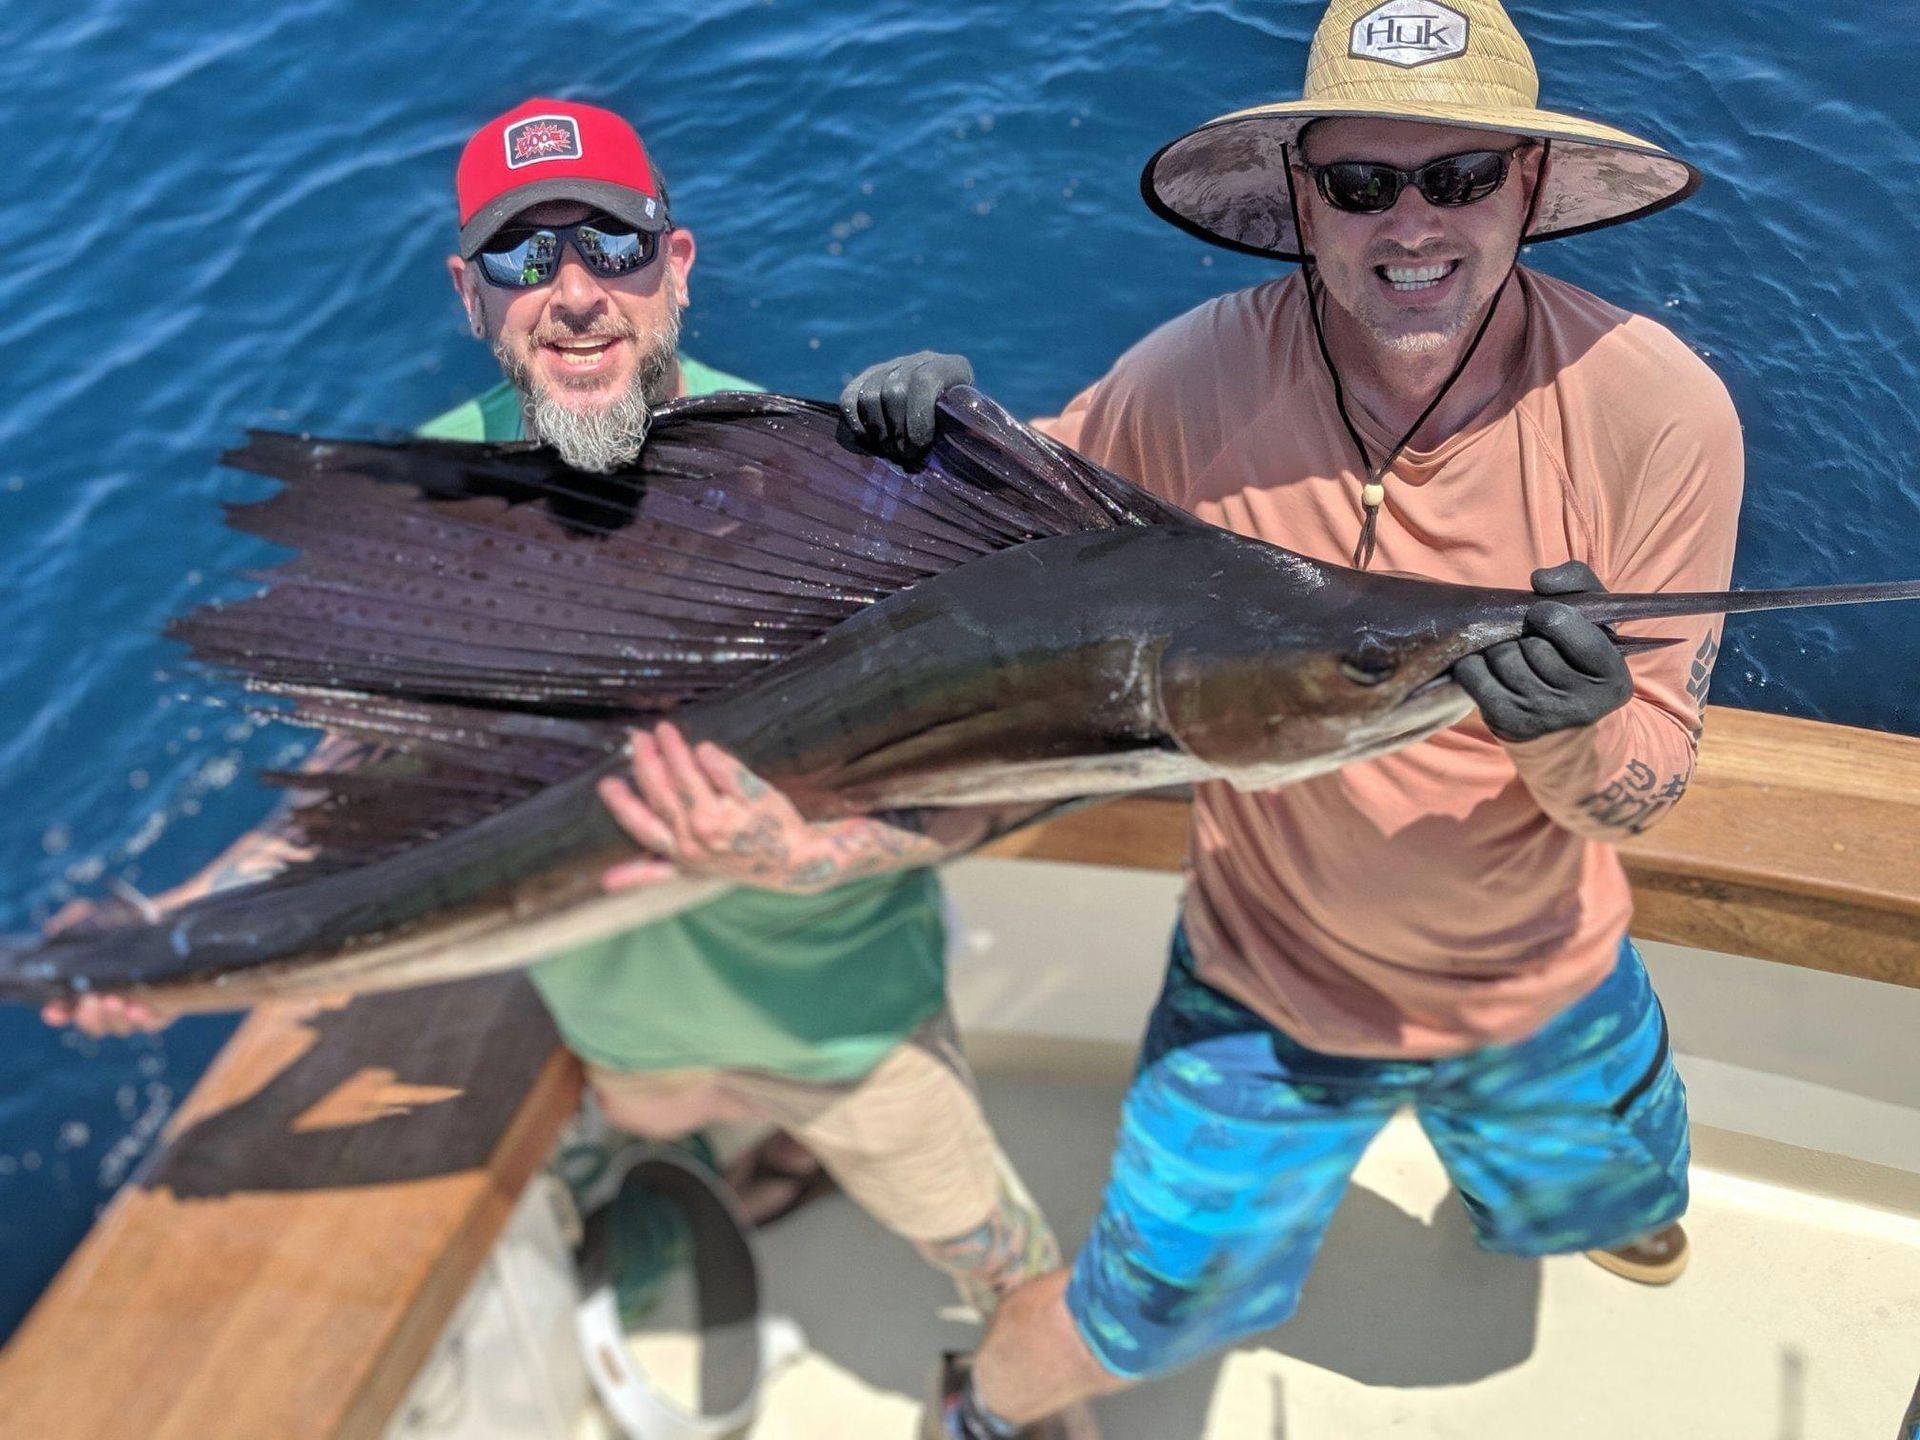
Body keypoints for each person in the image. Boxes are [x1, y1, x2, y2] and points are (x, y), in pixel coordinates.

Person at [824, 1, 1741, 1432]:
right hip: (1263, 986)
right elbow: (1027, 530)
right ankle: (979, 1410)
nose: (1412, 222)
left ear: (1534, 186)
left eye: (1463, 175)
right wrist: (926, 455)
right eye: (1364, 183)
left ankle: (1603, 1209)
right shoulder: (1187, 379)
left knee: (1629, 1207)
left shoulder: (1660, 412)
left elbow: (1646, 782)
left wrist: (1569, 731)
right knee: (1128, 1316)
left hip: (1544, 979)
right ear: (1303, 199)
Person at [44, 96, 1062, 1323]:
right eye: (524, 258)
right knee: (665, 1122)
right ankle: (760, 1166)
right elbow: (351, 795)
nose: (574, 292)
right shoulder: (429, 498)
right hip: (619, 1035)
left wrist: (960, 458)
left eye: (613, 246)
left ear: (675, 267)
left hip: (847, 1033)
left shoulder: (829, 479)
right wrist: (166, 929)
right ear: (469, 295)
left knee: (1007, 1283)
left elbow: (1002, 775)